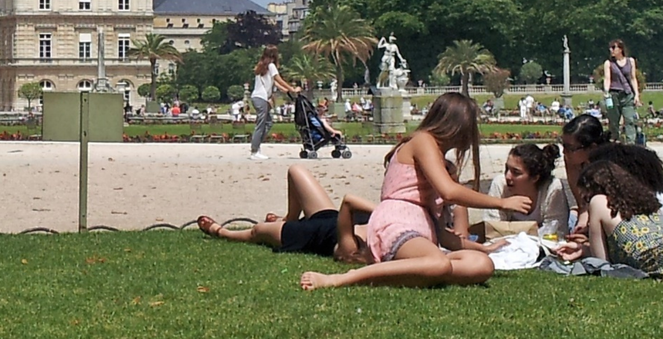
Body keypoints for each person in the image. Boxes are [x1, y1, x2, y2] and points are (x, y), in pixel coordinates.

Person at [300, 92, 533, 290]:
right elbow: (450, 191)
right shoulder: (423, 141)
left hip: (422, 233)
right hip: (397, 224)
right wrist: (501, 203)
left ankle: (408, 272)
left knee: (481, 265)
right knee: (439, 264)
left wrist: (483, 248)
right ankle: (347, 278)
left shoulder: (436, 156)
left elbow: (443, 235)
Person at [196, 165, 377, 264]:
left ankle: (221, 232)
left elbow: (349, 202)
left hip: (304, 234)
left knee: (258, 231)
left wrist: (386, 211)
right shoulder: (386, 231)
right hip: (328, 217)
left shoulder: (351, 248)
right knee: (296, 171)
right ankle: (289, 217)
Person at [554, 161, 663, 276]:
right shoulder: (646, 202)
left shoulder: (598, 201)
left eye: (585, 199)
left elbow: (600, 262)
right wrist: (583, 249)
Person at [478, 144, 573, 236]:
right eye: (507, 168)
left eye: (516, 172)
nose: (507, 176)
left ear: (535, 178)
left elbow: (557, 232)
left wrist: (511, 229)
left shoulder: (552, 189)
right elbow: (491, 229)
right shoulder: (500, 184)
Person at [250, 46, 300, 160]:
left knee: (268, 123)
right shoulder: (271, 66)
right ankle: (254, 151)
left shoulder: (261, 65)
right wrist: (292, 89)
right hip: (261, 98)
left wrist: (286, 90)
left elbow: (274, 83)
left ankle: (257, 147)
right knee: (261, 124)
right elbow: (278, 79)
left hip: (258, 98)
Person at [562, 115, 610, 232]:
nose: (564, 152)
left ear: (592, 148)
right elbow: (583, 204)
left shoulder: (611, 166)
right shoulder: (573, 162)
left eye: (570, 148)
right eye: (563, 145)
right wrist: (581, 225)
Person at [603, 39, 641, 144]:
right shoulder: (609, 63)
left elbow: (633, 78)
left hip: (627, 94)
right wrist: (606, 92)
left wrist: (636, 94)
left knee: (630, 120)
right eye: (610, 48)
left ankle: (630, 144)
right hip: (613, 95)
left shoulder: (630, 61)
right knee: (613, 121)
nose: (611, 50)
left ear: (621, 49)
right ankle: (614, 140)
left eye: (614, 48)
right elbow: (607, 78)